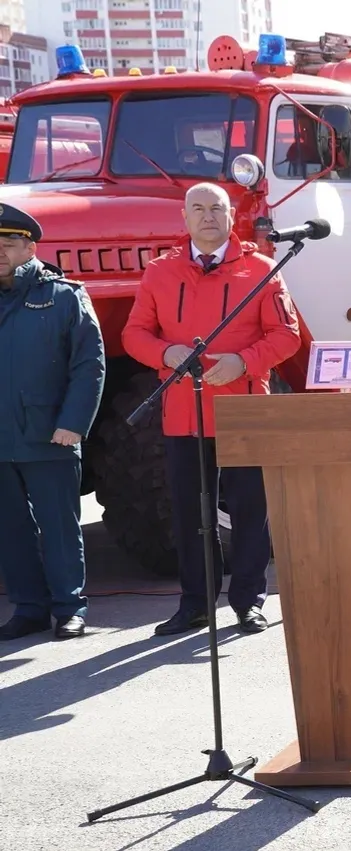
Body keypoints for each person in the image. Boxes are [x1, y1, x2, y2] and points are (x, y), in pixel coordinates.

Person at [122, 183, 301, 637]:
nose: (207, 216)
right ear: (184, 219)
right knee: (189, 511)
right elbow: (135, 334)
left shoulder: (262, 269)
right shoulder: (159, 273)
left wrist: (244, 361)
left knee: (248, 509)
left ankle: (248, 600)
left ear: (230, 216)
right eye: (197, 209)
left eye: (216, 208)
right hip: (183, 410)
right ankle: (196, 604)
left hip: (242, 407)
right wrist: (166, 355)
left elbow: (287, 335)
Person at [0, 205, 106, 641]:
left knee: (60, 526)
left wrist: (74, 424)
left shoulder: (64, 296)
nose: (0, 253)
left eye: (7, 245)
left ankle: (70, 607)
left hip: (50, 434)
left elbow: (89, 365)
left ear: (30, 247)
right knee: (10, 529)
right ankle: (29, 607)